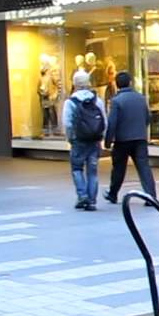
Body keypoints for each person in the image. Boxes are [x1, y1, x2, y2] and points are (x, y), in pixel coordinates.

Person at [104, 71, 157, 205]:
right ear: (130, 83)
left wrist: (108, 141)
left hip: (122, 140)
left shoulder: (116, 101)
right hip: (140, 138)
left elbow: (112, 123)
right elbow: (147, 118)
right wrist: (141, 129)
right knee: (144, 167)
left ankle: (113, 193)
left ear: (117, 85)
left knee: (119, 168)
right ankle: (151, 196)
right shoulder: (141, 98)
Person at [64, 70, 107, 212]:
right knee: (92, 171)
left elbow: (68, 124)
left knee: (77, 168)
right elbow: (104, 121)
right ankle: (92, 201)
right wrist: (101, 136)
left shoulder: (71, 102)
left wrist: (71, 138)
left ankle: (82, 195)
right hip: (94, 141)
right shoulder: (97, 100)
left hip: (79, 141)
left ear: (75, 84)